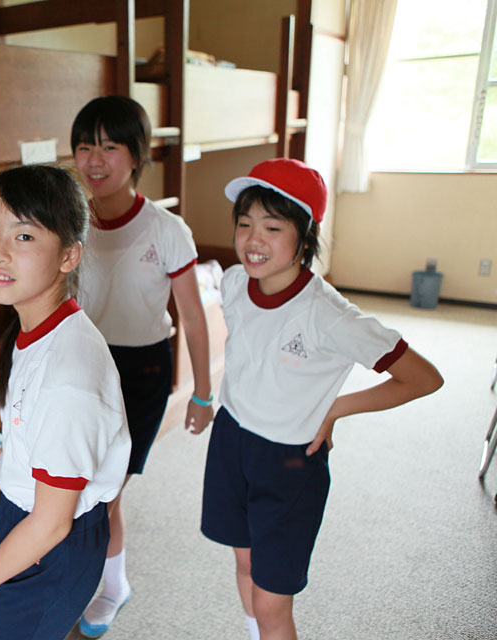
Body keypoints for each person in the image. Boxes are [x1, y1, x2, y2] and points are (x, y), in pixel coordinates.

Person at [201, 158, 443, 640]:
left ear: (306, 237)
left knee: (272, 602)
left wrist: (335, 409)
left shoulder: (329, 315)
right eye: (245, 223)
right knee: (245, 566)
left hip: (289, 462)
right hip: (231, 439)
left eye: (273, 227)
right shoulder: (233, 283)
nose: (254, 239)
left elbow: (423, 378)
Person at [0, 165, 131, 639]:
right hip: (28, 524)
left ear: (69, 255)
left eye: (23, 236)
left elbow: (52, 524)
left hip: (54, 549)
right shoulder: (32, 331)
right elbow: (16, 456)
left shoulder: (69, 378)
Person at [70, 95, 214, 637]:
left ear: (136, 155)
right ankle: (99, 580)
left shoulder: (166, 229)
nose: (95, 160)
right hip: (82, 365)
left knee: (104, 491)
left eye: (109, 147)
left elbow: (193, 317)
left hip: (142, 372)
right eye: (85, 147)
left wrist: (203, 393)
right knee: (80, 488)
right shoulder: (71, 222)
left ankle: (111, 586)